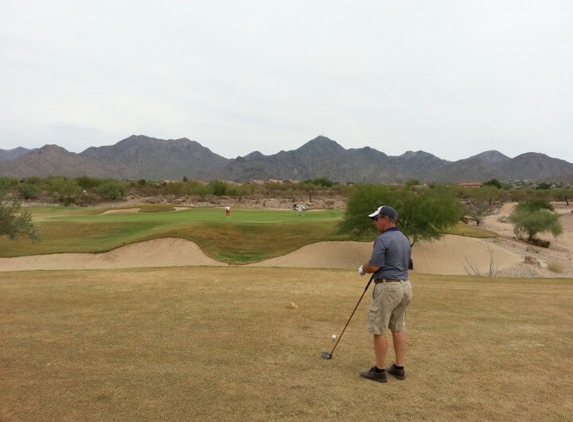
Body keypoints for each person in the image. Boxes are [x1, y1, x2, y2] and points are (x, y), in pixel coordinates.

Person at [357, 205, 412, 383]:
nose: (374, 223)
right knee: (398, 327)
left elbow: (374, 266)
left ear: (385, 219)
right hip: (405, 286)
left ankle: (379, 371)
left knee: (379, 328)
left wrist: (363, 269)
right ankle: (399, 368)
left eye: (376, 219)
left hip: (388, 287)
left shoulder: (383, 239)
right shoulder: (403, 238)